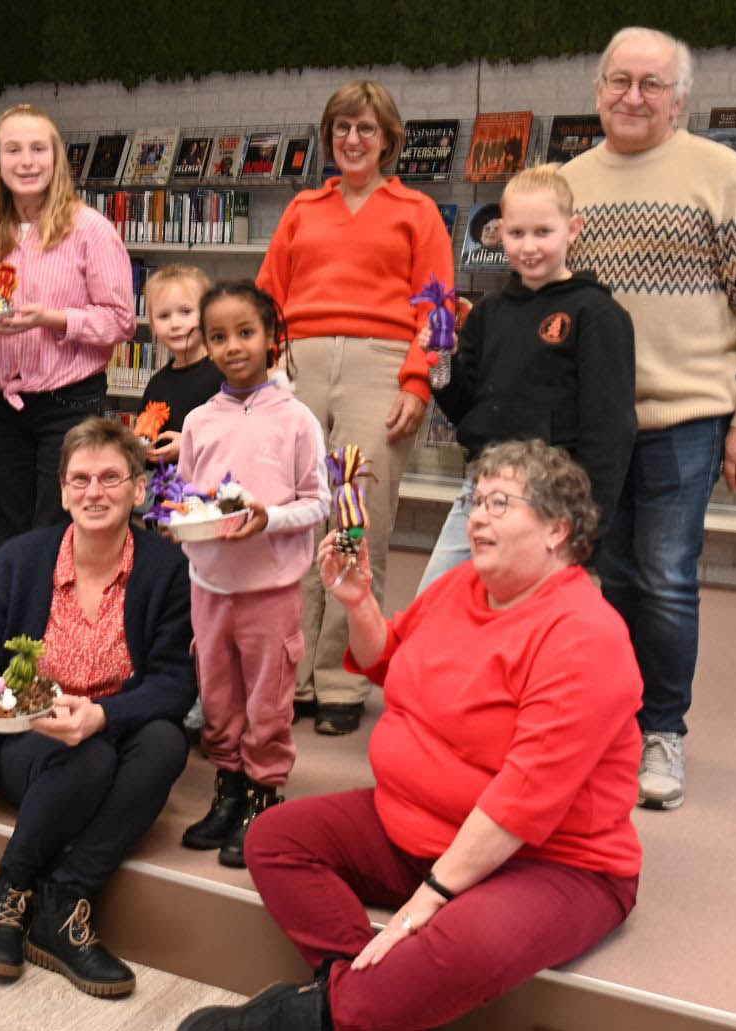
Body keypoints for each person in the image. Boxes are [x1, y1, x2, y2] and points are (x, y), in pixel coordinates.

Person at [177, 440, 642, 1031]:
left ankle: (315, 1013)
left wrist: (430, 901)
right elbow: (390, 663)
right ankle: (362, 990)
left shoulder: (585, 634)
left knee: (465, 944)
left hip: (552, 862)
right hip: (418, 828)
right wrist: (359, 603)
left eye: (501, 503)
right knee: (275, 838)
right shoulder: (460, 587)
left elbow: (525, 799)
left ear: (558, 530)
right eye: (476, 501)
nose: (477, 516)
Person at [559, 26, 736, 810]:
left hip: (686, 418)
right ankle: (611, 726)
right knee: (599, 580)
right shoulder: (565, 183)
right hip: (590, 425)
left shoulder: (721, 174)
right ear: (597, 91)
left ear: (680, 98)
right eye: (619, 80)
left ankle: (662, 731)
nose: (631, 96)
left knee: (660, 579)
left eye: (650, 84)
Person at [0, 418, 196, 999]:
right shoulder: (20, 559)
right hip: (29, 737)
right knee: (87, 761)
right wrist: (16, 709)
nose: (94, 492)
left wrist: (103, 716)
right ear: (61, 490)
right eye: (80, 478)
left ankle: (67, 898)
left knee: (164, 744)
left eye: (112, 477)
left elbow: (175, 685)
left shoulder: (165, 569)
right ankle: (9, 892)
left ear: (139, 489)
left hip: (117, 726)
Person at [257, 79, 455, 736]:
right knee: (293, 519)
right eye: (341, 127)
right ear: (327, 137)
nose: (352, 139)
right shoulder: (302, 209)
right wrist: (268, 364)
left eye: (365, 128)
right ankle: (294, 672)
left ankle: (341, 672)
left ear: (389, 139)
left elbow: (439, 308)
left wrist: (417, 381)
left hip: (379, 365)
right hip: (300, 364)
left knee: (352, 516)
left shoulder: (416, 210)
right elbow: (267, 297)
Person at [418, 163, 636, 591]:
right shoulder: (489, 313)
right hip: (480, 492)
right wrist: (442, 360)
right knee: (432, 608)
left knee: (529, 623)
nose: (529, 247)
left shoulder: (598, 315)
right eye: (517, 234)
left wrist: (587, 522)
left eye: (543, 232)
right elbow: (463, 407)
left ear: (573, 229)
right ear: (500, 233)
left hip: (550, 503)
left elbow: (610, 430)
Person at [173, 282, 326, 868]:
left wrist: (268, 518)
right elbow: (187, 498)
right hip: (209, 585)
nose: (233, 346)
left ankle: (264, 790)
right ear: (205, 345)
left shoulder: (297, 419)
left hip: (271, 589)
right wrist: (176, 520)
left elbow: (318, 501)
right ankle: (229, 785)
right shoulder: (197, 421)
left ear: (270, 339)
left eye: (245, 333)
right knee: (218, 695)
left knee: (268, 696)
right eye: (218, 337)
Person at [0, 104, 134, 559]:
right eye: (12, 150)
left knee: (59, 531)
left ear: (57, 160)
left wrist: (51, 317)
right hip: (1, 405)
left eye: (37, 149)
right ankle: (10, 627)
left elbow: (120, 320)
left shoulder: (90, 229)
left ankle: (59, 630)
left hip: (68, 404)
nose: (26, 161)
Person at [137, 264, 223, 465]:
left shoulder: (223, 375)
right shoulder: (157, 384)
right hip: (161, 487)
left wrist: (189, 446)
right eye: (164, 316)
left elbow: (237, 434)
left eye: (185, 312)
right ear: (153, 325)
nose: (175, 324)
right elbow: (143, 433)